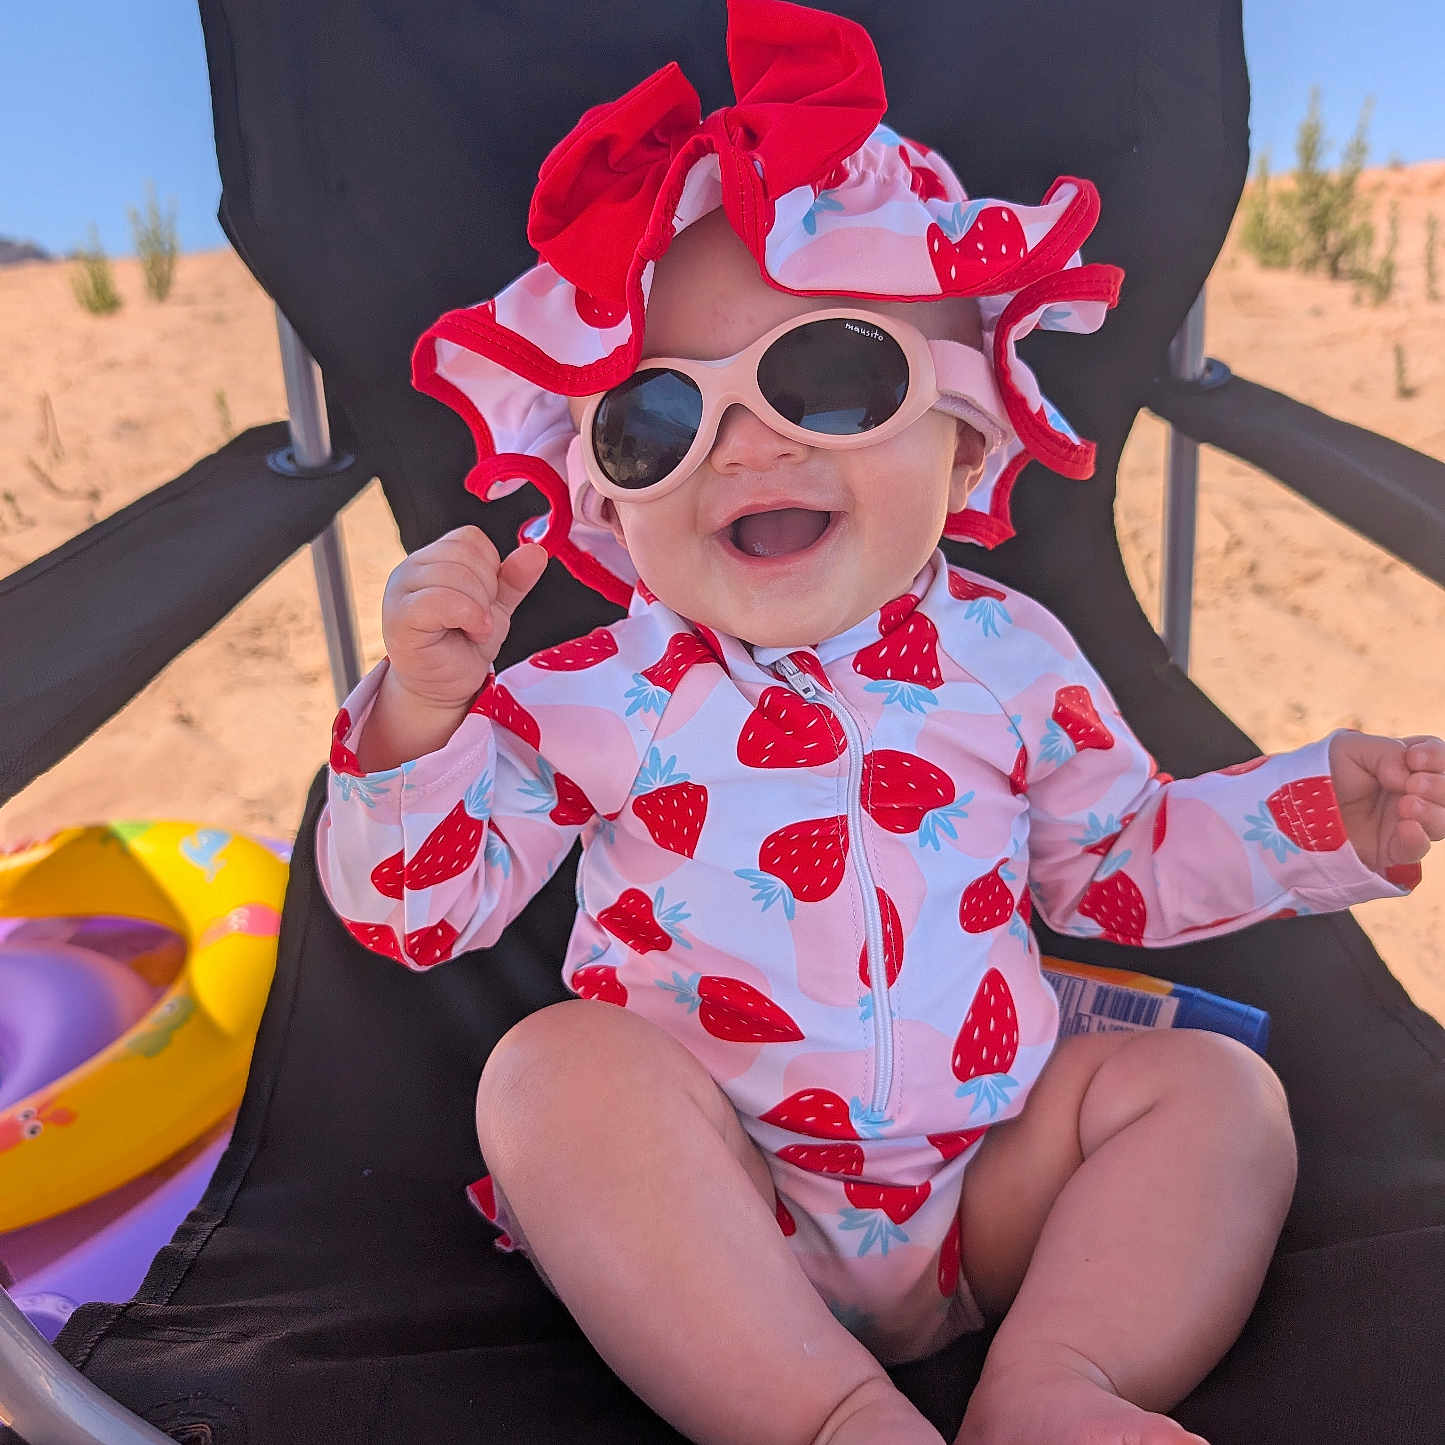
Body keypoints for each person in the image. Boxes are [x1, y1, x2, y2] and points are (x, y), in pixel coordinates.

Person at [315, 2, 1444, 1440]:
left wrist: (1317, 819)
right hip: (719, 1214)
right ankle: (826, 1413)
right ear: (605, 499)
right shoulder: (595, 691)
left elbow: (1114, 861)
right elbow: (420, 914)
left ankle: (1057, 1380)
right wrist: (419, 713)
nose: (745, 440)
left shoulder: (1013, 657)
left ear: (966, 432)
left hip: (992, 1187)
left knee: (1213, 1094)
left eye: (829, 374)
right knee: (550, 1075)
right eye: (655, 419)